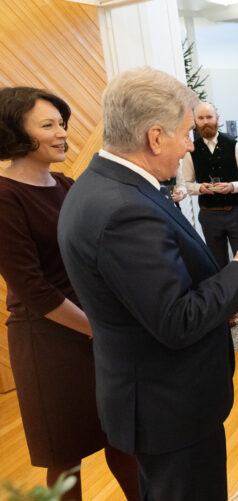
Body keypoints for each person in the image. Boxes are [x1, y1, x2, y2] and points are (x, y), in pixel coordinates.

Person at [57, 67, 238, 500]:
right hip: (168, 407)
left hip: (158, 401)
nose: (190, 145)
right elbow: (177, 320)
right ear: (155, 137)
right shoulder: (123, 209)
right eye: (184, 133)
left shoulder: (104, 185)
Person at [0, 87, 140, 500]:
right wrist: (100, 329)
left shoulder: (66, 184)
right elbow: (35, 290)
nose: (62, 133)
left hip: (94, 329)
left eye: (62, 124)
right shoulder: (5, 197)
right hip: (48, 342)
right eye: (48, 125)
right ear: (14, 133)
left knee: (122, 440)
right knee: (66, 458)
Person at [181, 101, 238, 325]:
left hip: (236, 212)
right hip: (209, 214)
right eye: (201, 119)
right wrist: (200, 188)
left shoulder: (233, 145)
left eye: (209, 117)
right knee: (217, 265)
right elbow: (187, 184)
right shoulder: (191, 151)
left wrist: (232, 187)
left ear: (218, 117)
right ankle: (227, 312)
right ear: (195, 122)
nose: (205, 122)